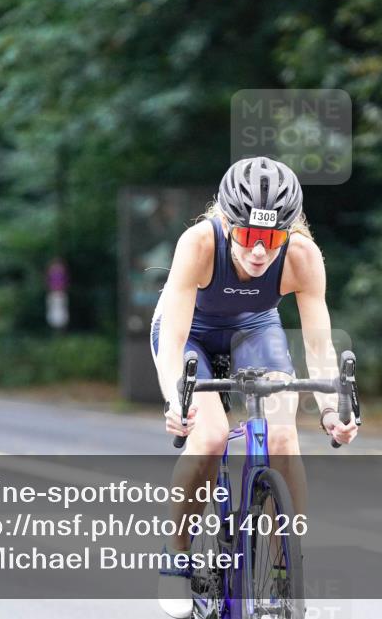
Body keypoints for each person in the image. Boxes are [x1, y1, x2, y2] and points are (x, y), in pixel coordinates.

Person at [150, 157, 358, 617]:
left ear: (287, 233)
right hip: (191, 335)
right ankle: (178, 554)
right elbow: (173, 341)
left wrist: (330, 411)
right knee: (210, 436)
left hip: (254, 330)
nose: (260, 251)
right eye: (248, 236)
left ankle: (287, 563)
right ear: (227, 223)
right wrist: (174, 398)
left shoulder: (303, 256)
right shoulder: (200, 243)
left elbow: (319, 346)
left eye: (272, 238)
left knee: (284, 435)